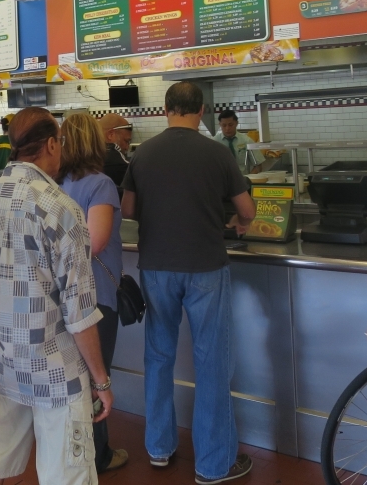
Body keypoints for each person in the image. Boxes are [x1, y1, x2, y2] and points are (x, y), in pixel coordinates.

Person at [0, 107, 113, 485]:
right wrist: (101, 382)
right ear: (52, 145)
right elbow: (80, 314)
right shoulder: (63, 210)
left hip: (1, 365)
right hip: (57, 374)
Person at [121, 81, 256, 484]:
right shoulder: (216, 152)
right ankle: (213, 465)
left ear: (165, 110)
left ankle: (159, 448)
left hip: (156, 267)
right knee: (211, 361)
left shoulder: (142, 154)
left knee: (158, 356)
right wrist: (237, 220)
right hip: (205, 268)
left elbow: (128, 208)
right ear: (200, 112)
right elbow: (246, 208)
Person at [58, 113, 128, 474]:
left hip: (66, 295)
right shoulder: (100, 185)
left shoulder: (59, 183)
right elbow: (96, 242)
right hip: (96, 295)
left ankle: (77, 451)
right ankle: (97, 457)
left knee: (77, 378)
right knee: (95, 381)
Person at [213, 110, 263, 175]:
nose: (227, 128)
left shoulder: (246, 141)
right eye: (224, 125)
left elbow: (258, 165)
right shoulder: (214, 142)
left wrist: (247, 179)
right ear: (220, 124)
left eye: (230, 125)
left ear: (236, 123)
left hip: (242, 180)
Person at [98, 113, 132, 188]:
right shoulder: (114, 158)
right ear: (110, 135)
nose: (126, 147)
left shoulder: (87, 155)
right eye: (126, 141)